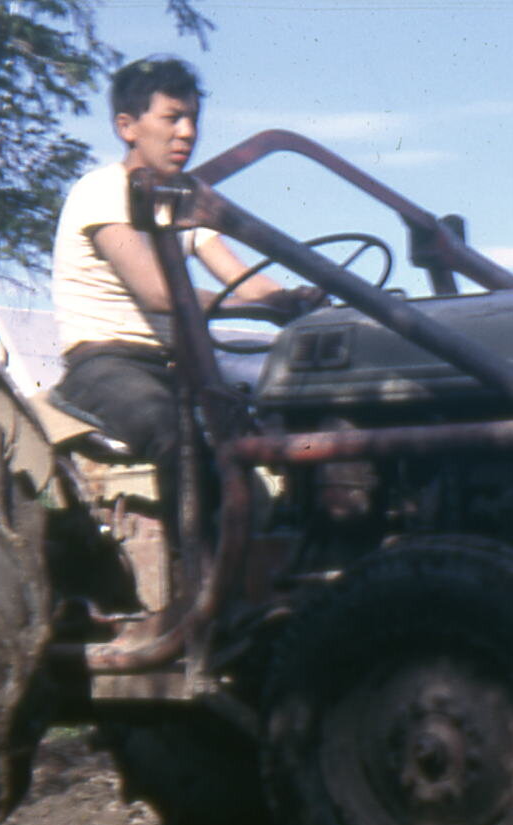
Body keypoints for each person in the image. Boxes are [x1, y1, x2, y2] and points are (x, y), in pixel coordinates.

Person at [51, 56, 318, 510]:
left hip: (178, 364)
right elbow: (159, 295)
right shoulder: (103, 190)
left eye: (193, 119)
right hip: (106, 365)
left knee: (294, 403)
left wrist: (297, 300)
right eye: (173, 118)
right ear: (127, 126)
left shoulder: (184, 198)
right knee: (179, 436)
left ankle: (296, 532)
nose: (188, 133)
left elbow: (245, 283)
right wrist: (265, 307)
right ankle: (200, 569)